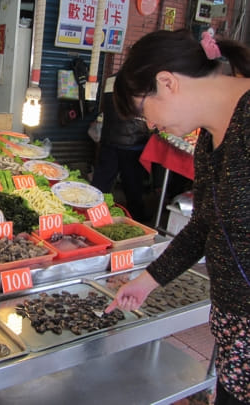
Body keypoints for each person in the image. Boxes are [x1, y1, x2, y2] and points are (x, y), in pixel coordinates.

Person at [105, 29, 250, 405]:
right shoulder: (209, 139)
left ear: (166, 83)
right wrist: (148, 280)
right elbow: (204, 225)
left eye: (143, 112)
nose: (150, 126)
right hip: (234, 323)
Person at [90, 74, 151, 222]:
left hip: (109, 139)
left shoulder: (112, 79)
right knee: (133, 186)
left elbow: (108, 108)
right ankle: (138, 220)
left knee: (101, 183)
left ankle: (91, 214)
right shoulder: (144, 81)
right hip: (132, 144)